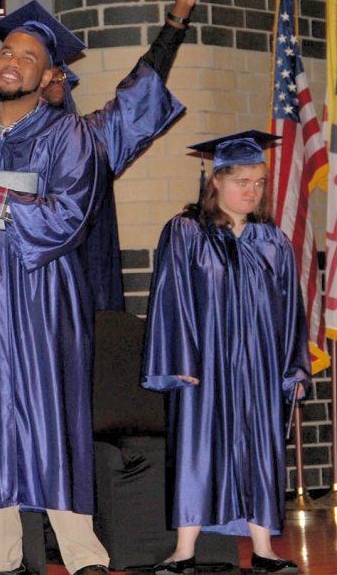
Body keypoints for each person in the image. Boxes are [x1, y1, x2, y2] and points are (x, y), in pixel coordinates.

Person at [0, 1, 112, 575]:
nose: (12, 62)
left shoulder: (68, 135)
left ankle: (84, 555)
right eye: (7, 50)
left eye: (28, 57)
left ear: (49, 74)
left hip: (43, 298)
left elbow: (68, 218)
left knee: (52, 415)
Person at [0, 0, 201, 311]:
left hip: (70, 291)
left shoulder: (91, 137)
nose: (56, 83)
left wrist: (177, 18)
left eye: (62, 76)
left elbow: (140, 92)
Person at [142, 131, 311, 575]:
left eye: (259, 182)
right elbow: (170, 298)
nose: (252, 191)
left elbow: (290, 310)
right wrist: (180, 361)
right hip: (204, 364)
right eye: (242, 181)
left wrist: (291, 366)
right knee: (198, 450)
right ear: (215, 181)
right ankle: (183, 552)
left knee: (260, 448)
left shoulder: (272, 241)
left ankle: (264, 550)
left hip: (258, 366)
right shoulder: (185, 233)